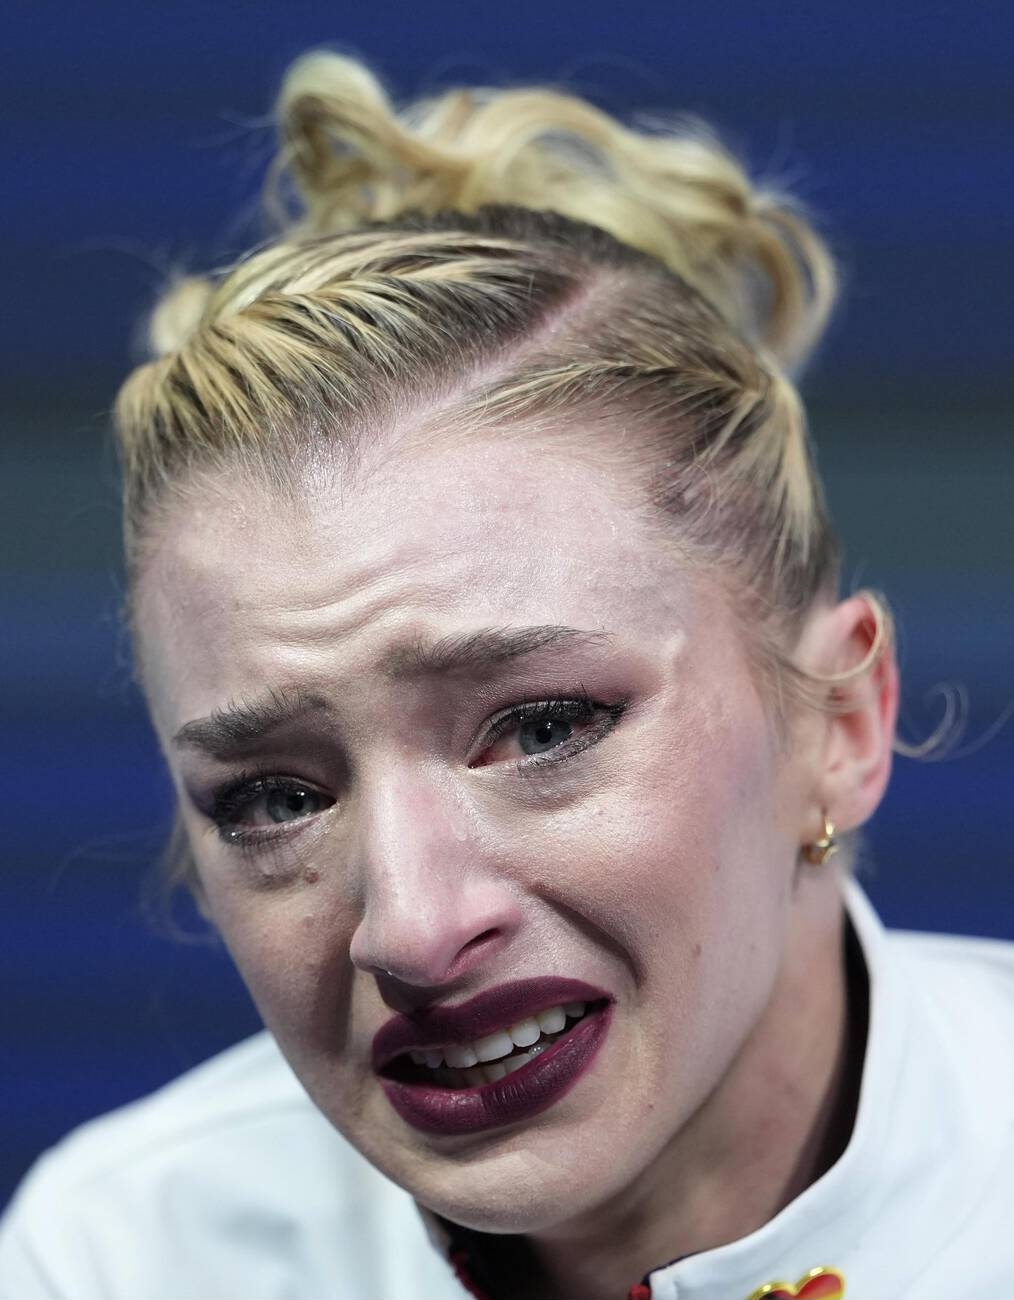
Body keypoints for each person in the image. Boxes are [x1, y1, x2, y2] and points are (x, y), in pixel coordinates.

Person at [1, 49, 1012, 1300]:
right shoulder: (123, 1256)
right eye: (275, 797)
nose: (414, 930)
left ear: (840, 724)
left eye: (543, 727)